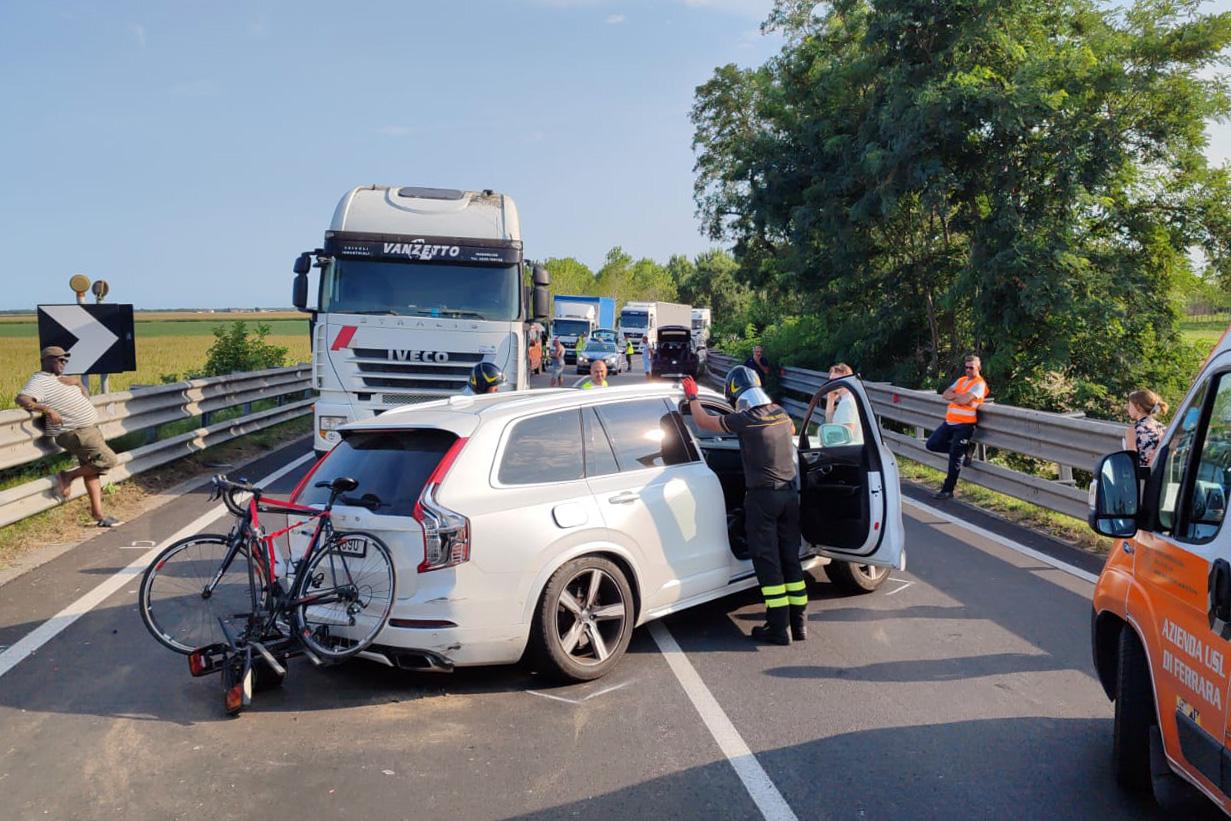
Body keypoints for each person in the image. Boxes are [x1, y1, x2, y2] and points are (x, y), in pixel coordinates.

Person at [682, 367, 805, 645]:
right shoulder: (781, 414)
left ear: (735, 393)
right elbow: (792, 430)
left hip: (763, 500)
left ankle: (777, 628)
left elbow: (704, 422)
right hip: (789, 496)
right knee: (790, 558)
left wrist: (692, 396)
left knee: (767, 561)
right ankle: (798, 624)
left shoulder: (746, 419)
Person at [16, 346, 121, 527]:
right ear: (46, 360)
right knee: (109, 460)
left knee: (93, 471)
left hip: (88, 430)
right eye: (59, 360)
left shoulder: (60, 379)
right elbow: (22, 399)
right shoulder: (39, 380)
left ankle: (99, 515)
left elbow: (86, 398)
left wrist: (79, 384)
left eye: (65, 360)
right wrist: (47, 409)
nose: (63, 363)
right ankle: (67, 476)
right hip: (76, 432)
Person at [926, 354, 989, 500]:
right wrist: (959, 398)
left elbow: (963, 399)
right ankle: (965, 449)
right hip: (950, 422)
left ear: (978, 368)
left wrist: (957, 397)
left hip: (965, 425)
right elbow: (945, 394)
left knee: (954, 455)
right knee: (931, 444)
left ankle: (948, 490)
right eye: (966, 367)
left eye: (971, 368)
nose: (968, 370)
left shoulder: (980, 384)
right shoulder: (961, 380)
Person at [1126, 389, 1168, 470]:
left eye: (1130, 405)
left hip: (1142, 476)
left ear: (1138, 407)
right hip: (1159, 475)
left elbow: (1132, 460)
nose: (1128, 408)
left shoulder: (1133, 430)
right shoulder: (1163, 428)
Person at [824, 363, 863, 445]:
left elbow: (847, 435)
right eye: (830, 380)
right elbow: (829, 423)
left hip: (849, 453)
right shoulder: (845, 400)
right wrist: (830, 400)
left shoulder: (847, 403)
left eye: (835, 380)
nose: (831, 384)